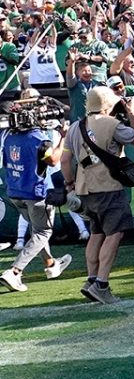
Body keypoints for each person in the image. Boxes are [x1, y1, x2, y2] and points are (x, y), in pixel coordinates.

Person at [61, 86, 134, 304]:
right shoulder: (112, 123)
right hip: (109, 187)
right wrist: (131, 112)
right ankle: (101, 284)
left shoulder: (75, 127)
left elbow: (64, 161)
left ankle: (90, 280)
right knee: (114, 234)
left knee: (96, 233)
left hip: (85, 188)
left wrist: (70, 183)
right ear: (108, 103)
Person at [0, 95, 72, 293]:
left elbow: (7, 162)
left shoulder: (9, 136)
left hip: (15, 191)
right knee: (42, 232)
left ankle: (50, 264)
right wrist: (63, 137)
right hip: (34, 192)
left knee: (36, 231)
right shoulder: (38, 139)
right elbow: (54, 160)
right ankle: (14, 272)